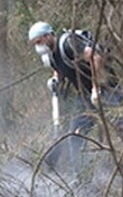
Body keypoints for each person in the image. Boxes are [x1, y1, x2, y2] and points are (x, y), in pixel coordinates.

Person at [28, 21, 115, 169]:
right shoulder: (52, 56)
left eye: (39, 41)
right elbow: (59, 68)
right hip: (84, 97)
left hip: (108, 91)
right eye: (35, 43)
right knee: (75, 136)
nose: (38, 46)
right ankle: (82, 181)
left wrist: (96, 88)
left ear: (49, 36)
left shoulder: (68, 44)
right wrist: (56, 79)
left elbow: (95, 58)